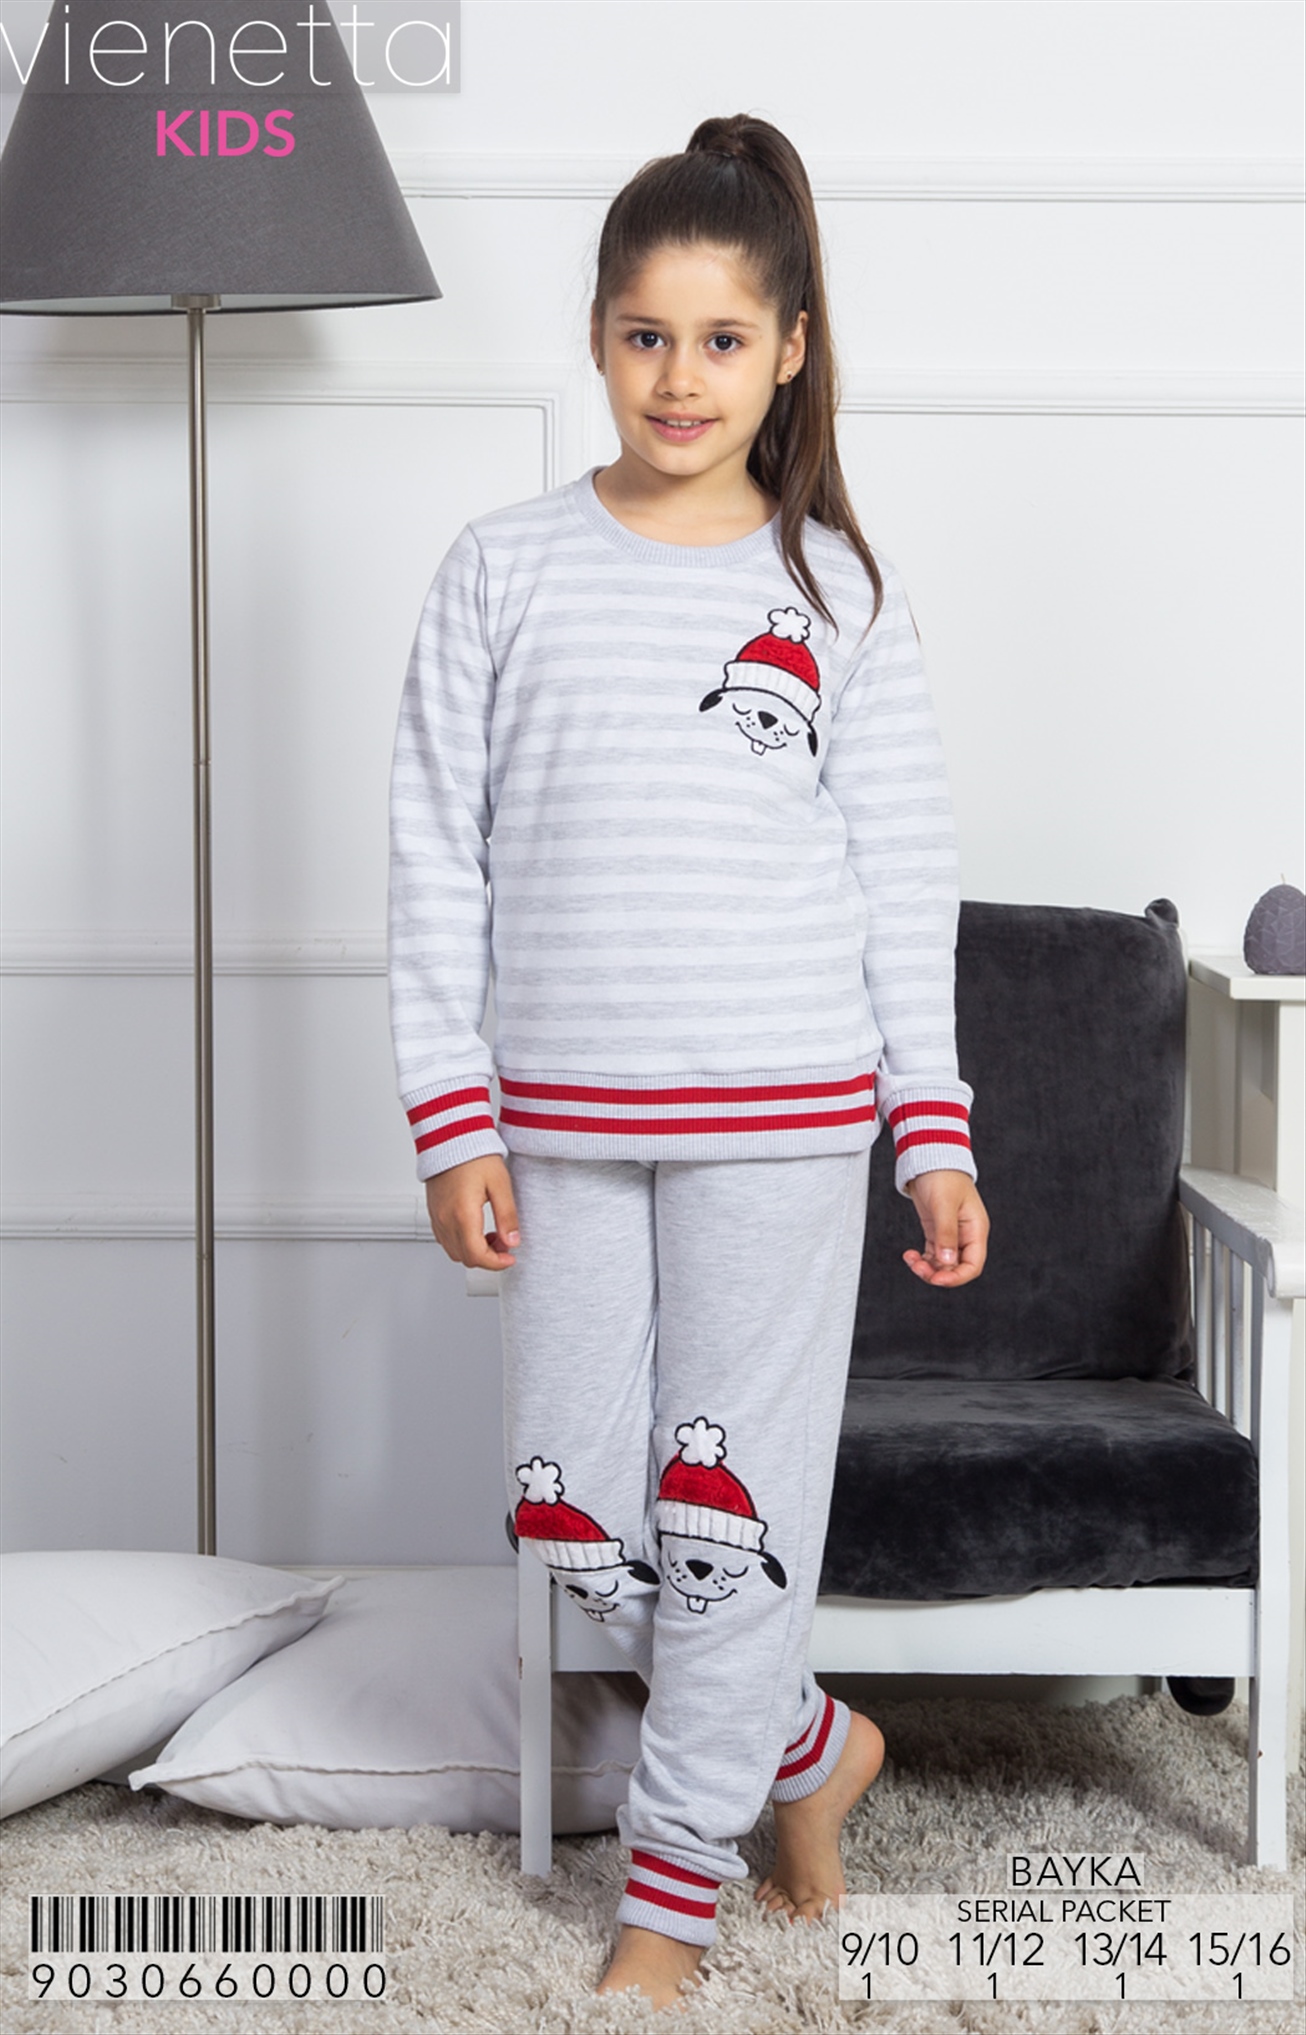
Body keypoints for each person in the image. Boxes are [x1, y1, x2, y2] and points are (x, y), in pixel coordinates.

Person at [388, 112, 990, 2012]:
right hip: (558, 1122)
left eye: (722, 340)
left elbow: (902, 878)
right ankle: (808, 1743)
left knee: (735, 1524)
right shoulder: (500, 568)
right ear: (594, 335)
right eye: (645, 335)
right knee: (572, 1502)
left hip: (785, 1122)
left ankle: (669, 1901)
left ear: (788, 350)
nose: (679, 376)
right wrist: (449, 1118)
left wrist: (931, 1130)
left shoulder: (839, 590)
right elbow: (434, 854)